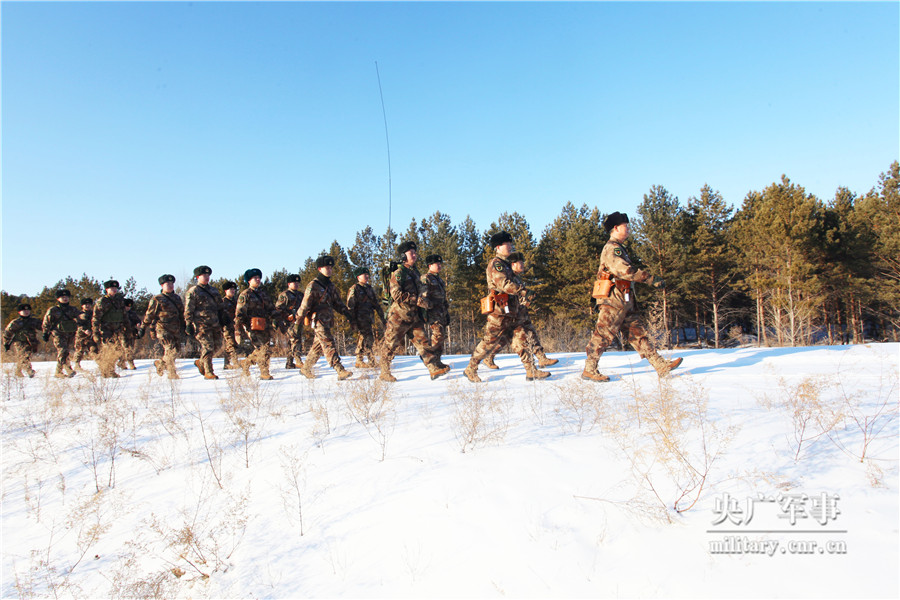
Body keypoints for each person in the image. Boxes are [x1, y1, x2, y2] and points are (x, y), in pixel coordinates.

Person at [583, 211, 683, 382]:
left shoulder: (620, 248)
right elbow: (625, 271)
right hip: (613, 301)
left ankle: (660, 365)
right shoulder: (612, 249)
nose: (628, 229)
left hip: (624, 301)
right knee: (602, 335)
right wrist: (650, 279)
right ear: (615, 228)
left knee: (639, 334)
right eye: (626, 226)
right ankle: (589, 370)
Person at [464, 232, 551, 382]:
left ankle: (531, 370)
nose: (510, 247)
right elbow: (503, 284)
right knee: (488, 342)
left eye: (510, 244)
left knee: (521, 339)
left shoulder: (506, 265)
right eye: (507, 244)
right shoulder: (496, 264)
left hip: (511, 311)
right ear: (498, 247)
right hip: (499, 312)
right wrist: (522, 290)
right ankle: (470, 368)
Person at [379, 241, 450, 382]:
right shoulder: (399, 273)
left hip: (413, 316)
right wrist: (416, 300)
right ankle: (384, 372)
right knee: (390, 344)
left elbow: (421, 289)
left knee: (423, 343)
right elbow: (397, 294)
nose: (414, 255)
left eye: (415, 252)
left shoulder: (415, 273)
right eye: (411, 253)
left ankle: (433, 369)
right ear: (403, 256)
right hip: (399, 316)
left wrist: (425, 299)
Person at [482, 253, 558, 370]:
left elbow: (521, 298)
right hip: (507, 313)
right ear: (512, 265)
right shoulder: (508, 278)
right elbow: (508, 292)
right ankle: (487, 357)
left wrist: (532, 305)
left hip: (520, 312)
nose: (522, 265)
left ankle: (541, 358)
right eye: (520, 263)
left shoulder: (517, 278)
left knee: (530, 332)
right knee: (505, 338)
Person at [297, 256, 354, 380]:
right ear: (319, 269)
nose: (329, 270)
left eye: (330, 267)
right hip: (318, 320)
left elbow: (337, 303)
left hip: (328, 320)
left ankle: (305, 368)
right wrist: (298, 321)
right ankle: (340, 370)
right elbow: (305, 305)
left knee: (318, 347)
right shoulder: (313, 285)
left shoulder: (330, 286)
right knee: (328, 344)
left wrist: (347, 313)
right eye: (326, 267)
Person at [235, 268, 277, 380]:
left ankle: (246, 362)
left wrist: (276, 318)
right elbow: (239, 313)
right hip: (252, 326)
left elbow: (271, 308)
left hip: (265, 325)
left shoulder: (263, 294)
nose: (258, 280)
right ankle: (264, 372)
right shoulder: (245, 295)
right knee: (262, 348)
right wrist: (238, 328)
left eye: (259, 278)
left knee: (265, 349)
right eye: (255, 278)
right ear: (249, 280)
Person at [141, 274, 185, 379]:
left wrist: (185, 325)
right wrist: (143, 327)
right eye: (167, 284)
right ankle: (172, 373)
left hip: (175, 328)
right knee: (170, 349)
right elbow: (149, 314)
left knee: (176, 350)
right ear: (162, 285)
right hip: (163, 328)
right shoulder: (157, 299)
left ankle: (161, 363)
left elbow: (182, 313)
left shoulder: (177, 298)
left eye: (171, 284)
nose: (170, 286)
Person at [184, 265, 225, 380]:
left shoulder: (213, 290)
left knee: (217, 345)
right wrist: (188, 324)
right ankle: (208, 371)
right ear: (198, 277)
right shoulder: (193, 291)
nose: (206, 277)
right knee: (208, 347)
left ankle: (201, 362)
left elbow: (220, 306)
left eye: (208, 275)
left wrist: (223, 317)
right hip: (201, 325)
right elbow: (188, 309)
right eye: (204, 275)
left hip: (215, 324)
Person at [92, 279, 134, 378]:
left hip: (118, 330)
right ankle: (108, 371)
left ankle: (108, 370)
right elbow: (96, 318)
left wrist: (128, 330)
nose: (114, 290)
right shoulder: (102, 301)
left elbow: (124, 316)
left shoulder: (119, 301)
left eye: (115, 288)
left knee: (117, 350)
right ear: (107, 289)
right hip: (106, 330)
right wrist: (95, 332)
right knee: (109, 350)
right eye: (112, 288)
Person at [346, 266, 385, 368]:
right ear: (358, 277)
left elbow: (376, 304)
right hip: (359, 318)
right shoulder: (355, 288)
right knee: (366, 337)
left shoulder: (369, 289)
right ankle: (362, 359)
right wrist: (352, 320)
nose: (367, 276)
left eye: (368, 274)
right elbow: (350, 305)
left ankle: (368, 360)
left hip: (368, 318)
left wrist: (382, 317)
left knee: (367, 338)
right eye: (365, 275)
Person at [41, 289, 81, 378]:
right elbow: (46, 322)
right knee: (62, 351)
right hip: (58, 334)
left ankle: (68, 368)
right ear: (58, 299)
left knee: (65, 352)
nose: (65, 298)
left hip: (70, 334)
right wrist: (45, 333)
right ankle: (59, 371)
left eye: (66, 297)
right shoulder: (53, 310)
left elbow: (80, 316)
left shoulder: (73, 309)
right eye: (62, 297)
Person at [420, 254, 451, 369]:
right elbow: (422, 298)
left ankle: (437, 360)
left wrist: (446, 313)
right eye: (436, 264)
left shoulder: (439, 280)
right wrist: (429, 309)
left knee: (441, 336)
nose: (439, 266)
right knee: (437, 335)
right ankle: (431, 359)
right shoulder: (426, 278)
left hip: (442, 312)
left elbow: (443, 298)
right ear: (430, 265)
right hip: (433, 313)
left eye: (440, 264)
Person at [3, 303, 41, 377]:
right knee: (24, 355)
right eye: (24, 310)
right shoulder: (15, 322)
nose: (26, 312)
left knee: (24, 356)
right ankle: (29, 370)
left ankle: (18, 371)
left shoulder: (34, 321)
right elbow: (7, 333)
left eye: (28, 310)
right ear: (19, 312)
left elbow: (43, 327)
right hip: (19, 342)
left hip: (32, 342)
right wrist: (6, 343)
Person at [275, 274, 305, 369]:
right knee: (295, 340)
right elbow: (278, 309)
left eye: (297, 283)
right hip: (288, 322)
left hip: (299, 322)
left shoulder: (300, 295)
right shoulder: (284, 295)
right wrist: (286, 316)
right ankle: (298, 360)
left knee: (294, 341)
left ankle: (289, 363)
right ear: (289, 284)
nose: (296, 284)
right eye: (294, 283)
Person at [73, 297, 98, 370]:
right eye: (85, 304)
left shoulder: (94, 314)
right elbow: (78, 323)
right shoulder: (79, 314)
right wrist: (85, 330)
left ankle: (101, 364)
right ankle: (77, 364)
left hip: (91, 336)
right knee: (79, 350)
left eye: (89, 304)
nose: (87, 306)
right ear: (82, 306)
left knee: (94, 350)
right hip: (81, 336)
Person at [220, 281, 240, 370]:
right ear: (225, 291)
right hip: (227, 327)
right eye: (230, 289)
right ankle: (235, 362)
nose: (232, 291)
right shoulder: (223, 302)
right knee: (231, 344)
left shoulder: (237, 302)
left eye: (233, 289)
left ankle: (227, 364)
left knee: (232, 345)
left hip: (235, 327)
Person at [121, 298, 141, 370]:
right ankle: (129, 363)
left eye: (129, 306)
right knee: (126, 349)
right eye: (126, 306)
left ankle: (123, 362)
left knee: (130, 348)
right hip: (122, 333)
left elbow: (137, 320)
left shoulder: (132, 313)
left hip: (132, 333)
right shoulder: (120, 313)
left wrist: (138, 323)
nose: (128, 308)